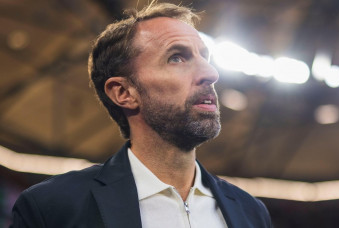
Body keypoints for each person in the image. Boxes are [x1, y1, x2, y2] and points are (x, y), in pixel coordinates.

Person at [11, 2, 272, 228]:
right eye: (177, 58)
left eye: (204, 57)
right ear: (124, 92)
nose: (211, 73)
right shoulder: (52, 207)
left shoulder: (251, 212)